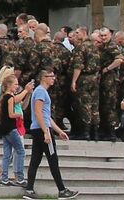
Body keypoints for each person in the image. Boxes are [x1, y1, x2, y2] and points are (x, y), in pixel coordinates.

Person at [20, 67, 77, 200]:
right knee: (53, 160)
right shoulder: (41, 92)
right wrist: (46, 131)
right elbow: (39, 113)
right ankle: (62, 190)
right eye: (51, 76)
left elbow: (47, 116)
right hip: (41, 129)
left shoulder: (41, 92)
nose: (54, 78)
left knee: (35, 160)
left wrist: (59, 131)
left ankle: (29, 189)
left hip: (39, 128)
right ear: (44, 78)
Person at [0, 67, 28, 188]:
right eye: (16, 84)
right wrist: (19, 115)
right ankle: (20, 177)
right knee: (21, 151)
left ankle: (5, 178)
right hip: (11, 128)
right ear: (9, 85)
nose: (17, 87)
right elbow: (11, 114)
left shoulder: (4, 97)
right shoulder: (10, 98)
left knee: (7, 155)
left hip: (4, 129)